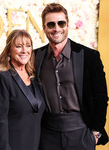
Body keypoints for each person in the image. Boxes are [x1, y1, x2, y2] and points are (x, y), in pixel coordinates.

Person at [34, 3, 108, 150]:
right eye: (51, 24)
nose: (56, 28)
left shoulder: (89, 56)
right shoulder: (35, 57)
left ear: (68, 25)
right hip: (47, 135)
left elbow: (100, 97)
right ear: (44, 28)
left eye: (61, 23)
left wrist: (95, 133)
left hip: (81, 134)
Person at [0, 29, 45, 150]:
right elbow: (0, 121)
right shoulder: (2, 78)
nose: (24, 50)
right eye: (18, 46)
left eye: (28, 46)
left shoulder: (33, 77)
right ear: (9, 50)